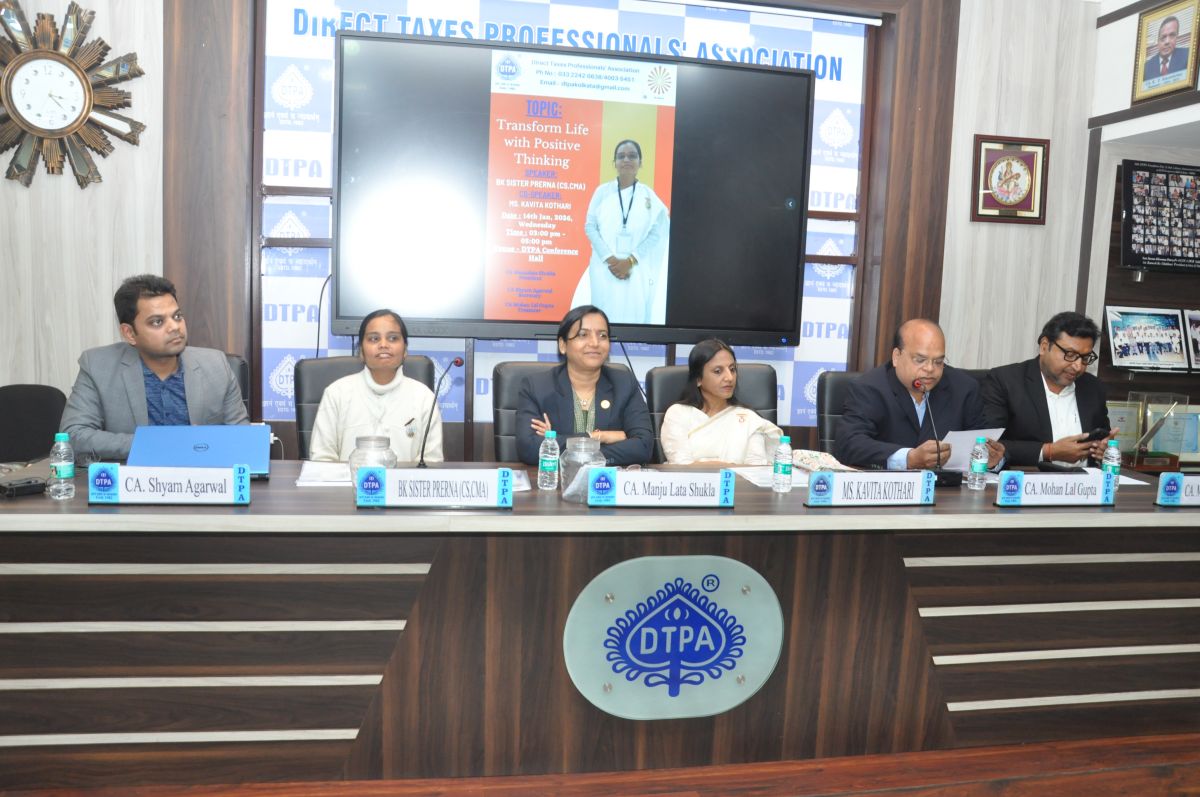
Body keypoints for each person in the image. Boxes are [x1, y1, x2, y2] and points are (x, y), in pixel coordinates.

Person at [60, 274, 249, 463]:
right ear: (129, 333)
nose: (174, 327)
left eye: (177, 316)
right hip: (135, 478)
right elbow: (73, 436)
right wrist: (156, 443)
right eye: (157, 322)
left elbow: (243, 440)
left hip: (201, 476)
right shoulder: (98, 366)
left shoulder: (216, 365)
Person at [834, 319, 1004, 470]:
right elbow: (849, 444)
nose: (930, 369)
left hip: (946, 491)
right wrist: (908, 458)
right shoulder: (870, 387)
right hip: (889, 490)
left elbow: (985, 440)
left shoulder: (963, 388)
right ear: (896, 357)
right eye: (920, 360)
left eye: (938, 361)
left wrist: (994, 461)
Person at [516, 305, 653, 466]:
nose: (595, 343)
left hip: (606, 480)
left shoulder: (623, 383)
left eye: (602, 335)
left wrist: (557, 441)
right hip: (556, 480)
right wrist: (597, 437)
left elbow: (643, 447)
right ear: (563, 345)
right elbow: (529, 449)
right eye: (583, 335)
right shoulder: (536, 387)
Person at [982, 312, 1114, 466]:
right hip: (1028, 479)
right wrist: (1048, 451)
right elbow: (989, 444)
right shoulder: (1005, 381)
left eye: (1085, 358)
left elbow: (1102, 440)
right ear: (1044, 346)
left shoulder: (1093, 387)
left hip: (1085, 479)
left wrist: (1103, 451)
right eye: (1070, 354)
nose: (1078, 366)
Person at [309, 309, 442, 463]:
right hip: (349, 479)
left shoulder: (424, 398)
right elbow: (322, 458)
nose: (383, 345)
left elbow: (431, 461)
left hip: (405, 479)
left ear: (405, 350)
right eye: (374, 339)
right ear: (361, 351)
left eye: (393, 338)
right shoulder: (336, 393)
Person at [576, 140, 670, 324]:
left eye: (632, 156)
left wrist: (630, 261)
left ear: (640, 162)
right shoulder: (602, 192)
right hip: (604, 268)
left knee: (634, 317)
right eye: (621, 156)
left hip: (635, 270)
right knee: (603, 318)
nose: (626, 160)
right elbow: (590, 226)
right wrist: (612, 260)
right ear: (615, 163)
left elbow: (657, 233)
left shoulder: (648, 196)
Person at [660, 339, 782, 465]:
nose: (729, 377)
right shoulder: (678, 414)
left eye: (732, 369)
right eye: (718, 371)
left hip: (739, 480)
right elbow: (681, 466)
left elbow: (755, 469)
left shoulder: (748, 419)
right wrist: (729, 466)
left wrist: (707, 464)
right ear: (698, 379)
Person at [1144, 15, 1190, 81]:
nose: (1167, 41)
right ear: (1158, 41)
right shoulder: (1146, 67)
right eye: (1163, 37)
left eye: (1172, 35)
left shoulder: (1188, 55)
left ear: (1177, 37)